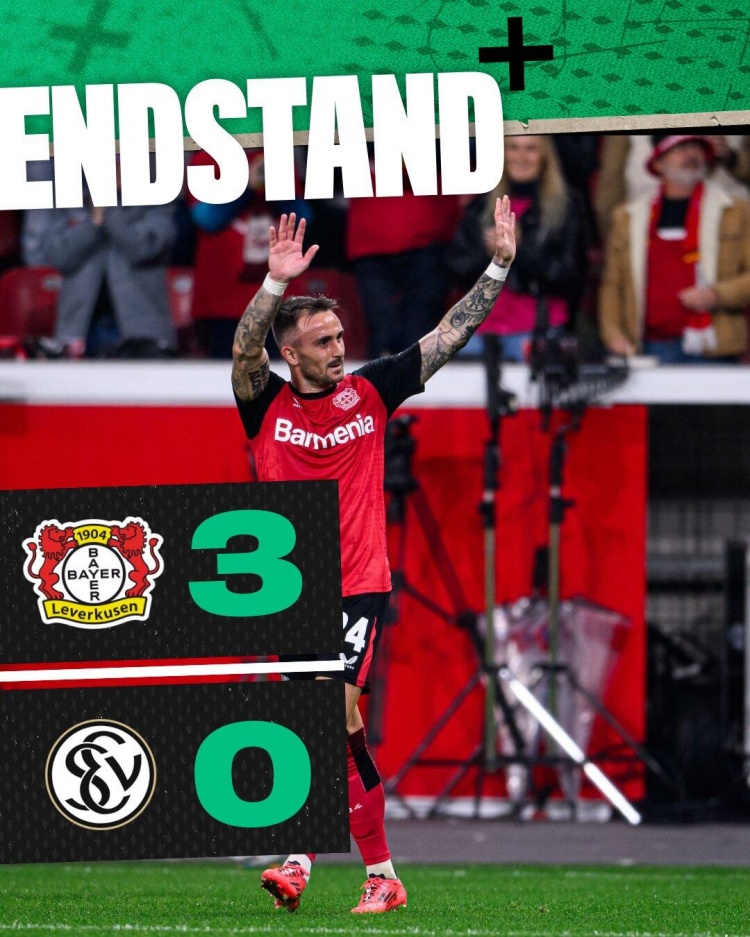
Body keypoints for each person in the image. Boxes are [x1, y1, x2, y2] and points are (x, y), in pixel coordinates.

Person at [231, 203, 516, 914]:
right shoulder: (265, 404)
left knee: (329, 716)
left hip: (357, 584)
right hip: (289, 589)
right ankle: (378, 873)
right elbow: (243, 351)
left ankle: (303, 859)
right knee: (338, 730)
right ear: (290, 354)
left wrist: (498, 266)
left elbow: (449, 334)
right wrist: (273, 284)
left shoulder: (372, 391)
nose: (338, 348)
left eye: (339, 335)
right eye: (322, 341)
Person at [599, 134, 750, 363]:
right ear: (658, 162)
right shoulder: (629, 217)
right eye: (679, 148)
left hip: (715, 348)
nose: (690, 155)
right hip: (651, 347)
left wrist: (717, 295)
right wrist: (613, 335)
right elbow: (613, 285)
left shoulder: (736, 212)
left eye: (696, 147)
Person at [446, 134, 587, 360]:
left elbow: (570, 276)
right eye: (513, 147)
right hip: (478, 331)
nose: (521, 156)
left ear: (545, 156)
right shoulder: (480, 206)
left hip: (537, 329)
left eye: (531, 148)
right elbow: (456, 269)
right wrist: (490, 253)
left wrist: (520, 250)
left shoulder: (567, 206)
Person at [22, 166, 177, 359]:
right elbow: (57, 256)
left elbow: (144, 248)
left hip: (142, 331)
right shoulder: (68, 195)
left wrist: (108, 208)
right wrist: (92, 223)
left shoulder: (156, 196)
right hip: (79, 328)